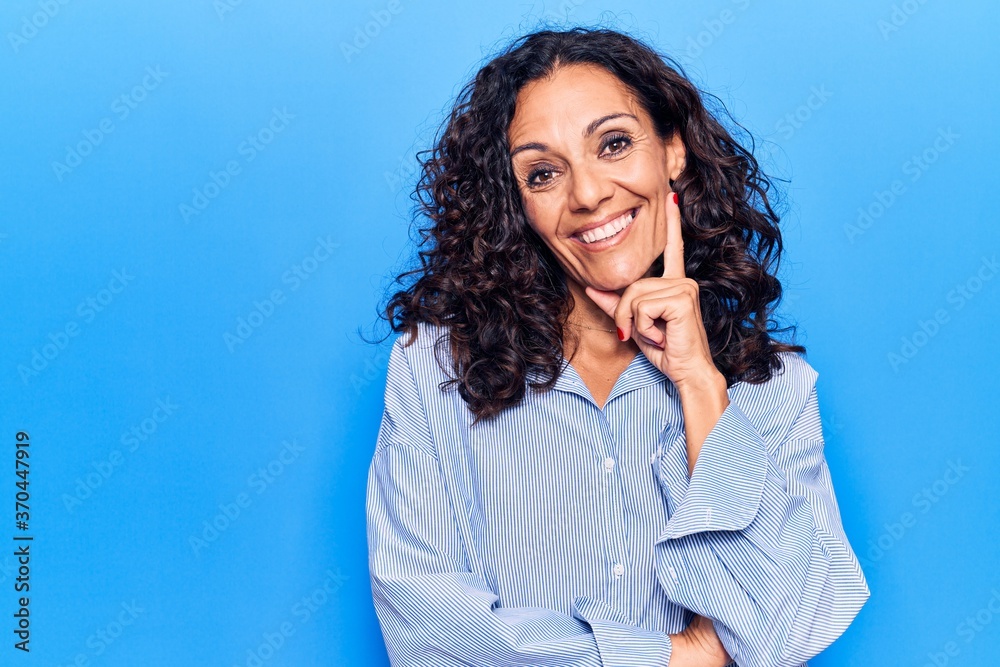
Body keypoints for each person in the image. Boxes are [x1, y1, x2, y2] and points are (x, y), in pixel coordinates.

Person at [366, 26, 870, 667]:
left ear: (672, 153)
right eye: (543, 173)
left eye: (614, 144)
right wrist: (677, 658)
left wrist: (698, 385)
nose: (586, 194)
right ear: (516, 203)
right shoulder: (435, 367)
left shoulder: (773, 390)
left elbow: (787, 633)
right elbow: (431, 635)